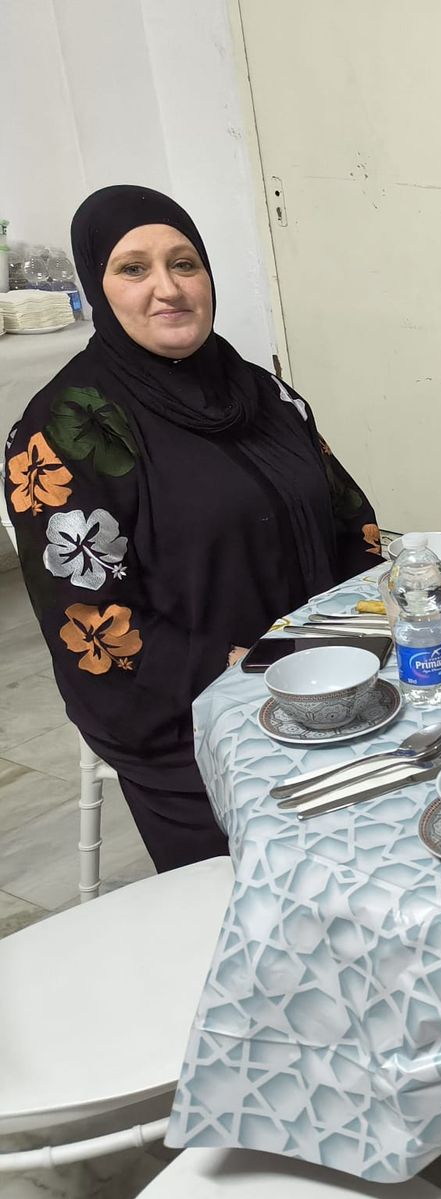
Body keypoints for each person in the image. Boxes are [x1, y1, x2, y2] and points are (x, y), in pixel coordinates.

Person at [5, 186, 380, 872]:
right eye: (133, 269)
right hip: (183, 708)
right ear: (97, 287)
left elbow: (350, 518)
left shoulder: (260, 392)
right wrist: (247, 670)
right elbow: (91, 619)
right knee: (298, 875)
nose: (167, 289)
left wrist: (376, 618)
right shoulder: (66, 427)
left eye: (184, 264)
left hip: (322, 672)